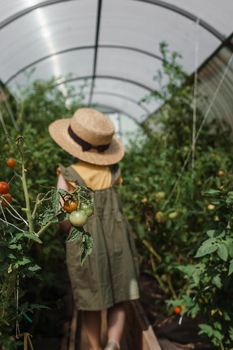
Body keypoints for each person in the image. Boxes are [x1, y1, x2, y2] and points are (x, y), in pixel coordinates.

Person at [48, 108, 140, 350]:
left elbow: (64, 218)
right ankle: (113, 343)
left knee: (90, 300)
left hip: (86, 243)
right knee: (119, 294)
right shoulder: (112, 173)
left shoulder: (68, 175)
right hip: (117, 238)